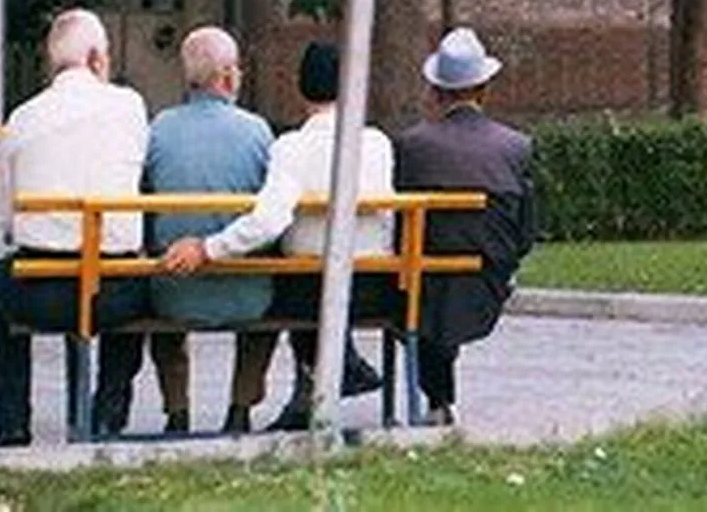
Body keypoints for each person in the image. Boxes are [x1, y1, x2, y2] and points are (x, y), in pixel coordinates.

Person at [162, 42, 391, 432]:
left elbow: (268, 222)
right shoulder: (377, 143)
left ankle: (315, 385)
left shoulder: (291, 147)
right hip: (372, 286)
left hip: (308, 293)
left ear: (301, 90)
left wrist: (207, 248)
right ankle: (330, 375)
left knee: (282, 275)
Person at [0, 8, 150, 447]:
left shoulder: (21, 118)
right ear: (96, 58)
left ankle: (13, 420)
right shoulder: (129, 106)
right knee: (143, 283)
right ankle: (109, 408)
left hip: (42, 291)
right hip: (112, 291)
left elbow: (5, 217)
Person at [393, 27, 534, 426]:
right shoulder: (516, 147)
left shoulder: (411, 146)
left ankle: (438, 400)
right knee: (443, 290)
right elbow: (525, 231)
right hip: (487, 275)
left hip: (423, 280)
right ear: (484, 89)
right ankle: (440, 401)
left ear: (436, 91)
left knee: (427, 292)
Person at [140, 26, 276, 434]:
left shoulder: (159, 128)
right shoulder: (257, 131)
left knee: (158, 273)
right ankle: (240, 408)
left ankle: (177, 411)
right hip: (247, 295)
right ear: (228, 76)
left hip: (174, 292)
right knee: (272, 291)